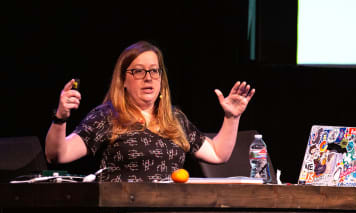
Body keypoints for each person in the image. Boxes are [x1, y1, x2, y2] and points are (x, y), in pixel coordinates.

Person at [45, 41, 255, 182]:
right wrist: (60, 118)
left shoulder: (175, 119)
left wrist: (232, 117)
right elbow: (58, 155)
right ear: (123, 80)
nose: (148, 77)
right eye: (138, 71)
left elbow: (219, 154)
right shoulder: (107, 117)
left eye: (154, 71)